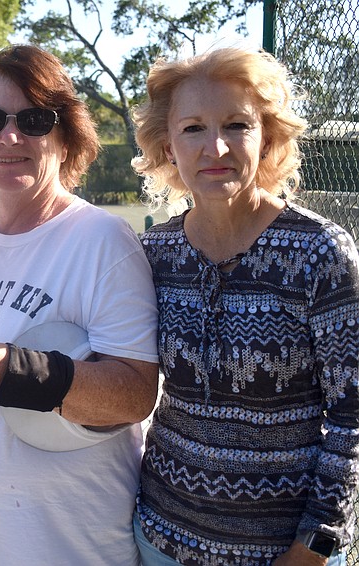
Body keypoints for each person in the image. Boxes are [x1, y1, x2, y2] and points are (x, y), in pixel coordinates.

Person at [0, 44, 160, 565]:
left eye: (35, 120)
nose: (10, 135)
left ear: (66, 139)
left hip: (59, 547)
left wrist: (13, 372)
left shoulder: (102, 240)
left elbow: (135, 394)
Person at [131, 47, 359, 565]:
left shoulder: (320, 252)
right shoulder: (153, 253)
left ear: (269, 138)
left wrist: (315, 546)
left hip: (285, 554)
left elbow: (352, 416)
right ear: (168, 146)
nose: (215, 146)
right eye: (192, 128)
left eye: (237, 124)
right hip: (160, 540)